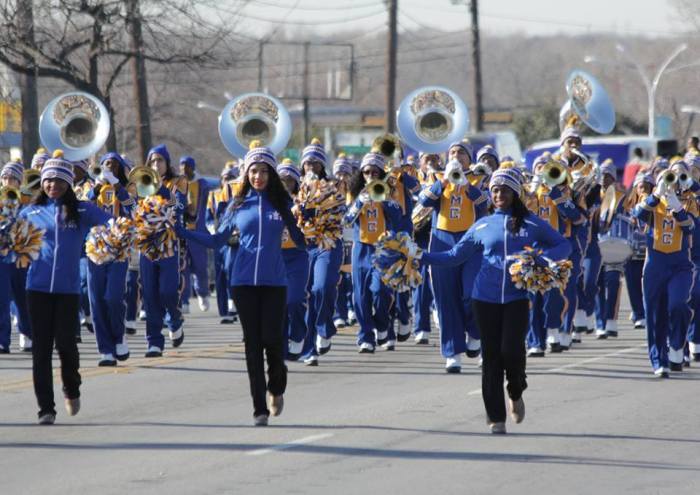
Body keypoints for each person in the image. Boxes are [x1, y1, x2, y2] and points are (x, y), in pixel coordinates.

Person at [401, 169, 570, 433]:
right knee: (491, 356)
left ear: (515, 193)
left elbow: (563, 245)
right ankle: (496, 417)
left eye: (504, 190)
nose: (499, 194)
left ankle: (515, 391)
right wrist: (419, 255)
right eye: (494, 190)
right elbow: (454, 256)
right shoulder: (482, 225)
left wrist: (540, 257)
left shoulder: (532, 224)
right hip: (484, 298)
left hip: (516, 297)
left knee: (512, 352)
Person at [175, 142, 305, 426]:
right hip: (243, 282)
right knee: (252, 344)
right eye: (253, 171)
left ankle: (276, 387)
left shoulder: (283, 205)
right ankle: (259, 408)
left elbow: (303, 238)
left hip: (274, 282)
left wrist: (313, 223)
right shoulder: (237, 204)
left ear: (272, 174)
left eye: (263, 171)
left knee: (273, 340)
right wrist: (183, 232)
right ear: (246, 174)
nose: (258, 176)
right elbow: (216, 240)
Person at [19, 151, 111, 425]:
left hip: (68, 290)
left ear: (69, 183)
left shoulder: (82, 210)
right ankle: (45, 408)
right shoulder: (30, 211)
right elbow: (12, 240)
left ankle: (71, 388)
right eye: (48, 180)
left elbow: (113, 224)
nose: (52, 185)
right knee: (41, 350)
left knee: (67, 347)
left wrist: (108, 238)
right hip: (36, 289)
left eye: (59, 181)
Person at [418, 141, 488, 372]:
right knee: (445, 298)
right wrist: (444, 181)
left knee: (472, 293)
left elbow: (484, 204)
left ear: (469, 158)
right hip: (442, 239)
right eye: (453, 153)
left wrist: (467, 184)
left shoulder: (479, 177)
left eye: (461, 153)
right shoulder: (437, 177)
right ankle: (453, 353)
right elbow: (424, 201)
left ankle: (476, 332)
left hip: (472, 240)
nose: (456, 156)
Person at [633, 164, 695, 377]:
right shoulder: (652, 202)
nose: (671, 182)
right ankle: (659, 360)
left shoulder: (690, 202)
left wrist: (677, 207)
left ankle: (677, 344)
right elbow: (638, 214)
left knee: (677, 304)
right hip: (655, 264)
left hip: (679, 265)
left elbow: (690, 227)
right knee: (654, 313)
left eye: (675, 178)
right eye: (668, 178)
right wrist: (656, 196)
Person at [344, 152, 402, 353]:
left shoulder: (389, 192)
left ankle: (382, 324)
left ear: (380, 173)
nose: (370, 175)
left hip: (383, 249)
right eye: (366, 172)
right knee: (360, 296)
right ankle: (366, 336)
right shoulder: (354, 193)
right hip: (361, 248)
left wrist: (382, 197)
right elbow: (346, 221)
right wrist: (360, 201)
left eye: (374, 172)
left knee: (380, 290)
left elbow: (398, 213)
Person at [85, 152, 135, 365]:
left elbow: (133, 206)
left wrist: (116, 185)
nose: (108, 168)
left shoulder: (127, 189)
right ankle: (105, 349)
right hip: (95, 249)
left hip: (119, 249)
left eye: (113, 166)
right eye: (105, 164)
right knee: (96, 300)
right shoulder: (92, 189)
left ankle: (119, 336)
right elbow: (84, 204)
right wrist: (97, 186)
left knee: (113, 297)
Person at [140, 144, 187, 357]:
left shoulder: (178, 183)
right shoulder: (141, 183)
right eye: (152, 161)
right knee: (149, 294)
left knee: (168, 291)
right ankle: (154, 342)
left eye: (159, 160)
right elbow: (133, 208)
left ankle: (175, 319)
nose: (155, 165)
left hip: (169, 244)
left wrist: (160, 187)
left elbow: (179, 207)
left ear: (167, 163)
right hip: (147, 245)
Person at [180, 155, 213, 313]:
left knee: (200, 266)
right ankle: (184, 299)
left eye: (186, 166)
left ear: (192, 167)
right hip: (183, 232)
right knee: (183, 267)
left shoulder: (202, 184)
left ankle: (202, 293)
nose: (183, 169)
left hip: (198, 231)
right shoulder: (178, 183)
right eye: (181, 166)